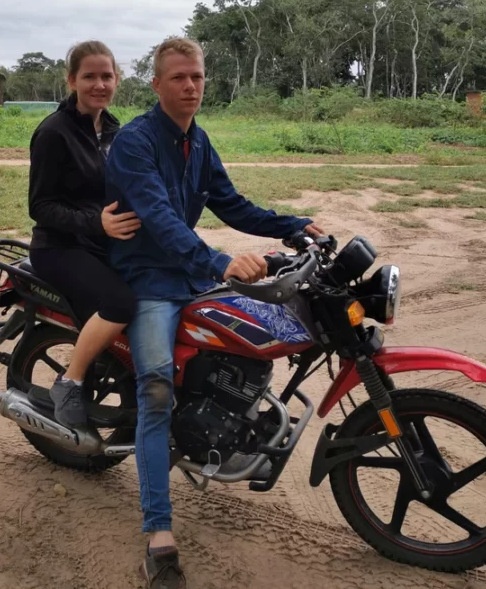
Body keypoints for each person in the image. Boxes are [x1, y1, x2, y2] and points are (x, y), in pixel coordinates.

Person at [105, 37, 323, 587]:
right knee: (156, 389)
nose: (190, 87)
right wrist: (220, 259)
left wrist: (293, 225)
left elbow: (232, 203)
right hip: (150, 280)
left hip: (191, 275)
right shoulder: (134, 142)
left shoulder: (197, 142)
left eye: (198, 77)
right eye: (179, 78)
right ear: (156, 85)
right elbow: (157, 217)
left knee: (251, 344)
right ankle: (158, 533)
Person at [27, 40, 141, 428]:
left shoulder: (112, 128)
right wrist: (97, 223)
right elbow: (40, 206)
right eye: (89, 76)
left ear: (117, 79)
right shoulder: (53, 132)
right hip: (59, 247)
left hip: (100, 243)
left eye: (106, 76)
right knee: (122, 304)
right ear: (72, 80)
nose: (99, 84)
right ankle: (70, 381)